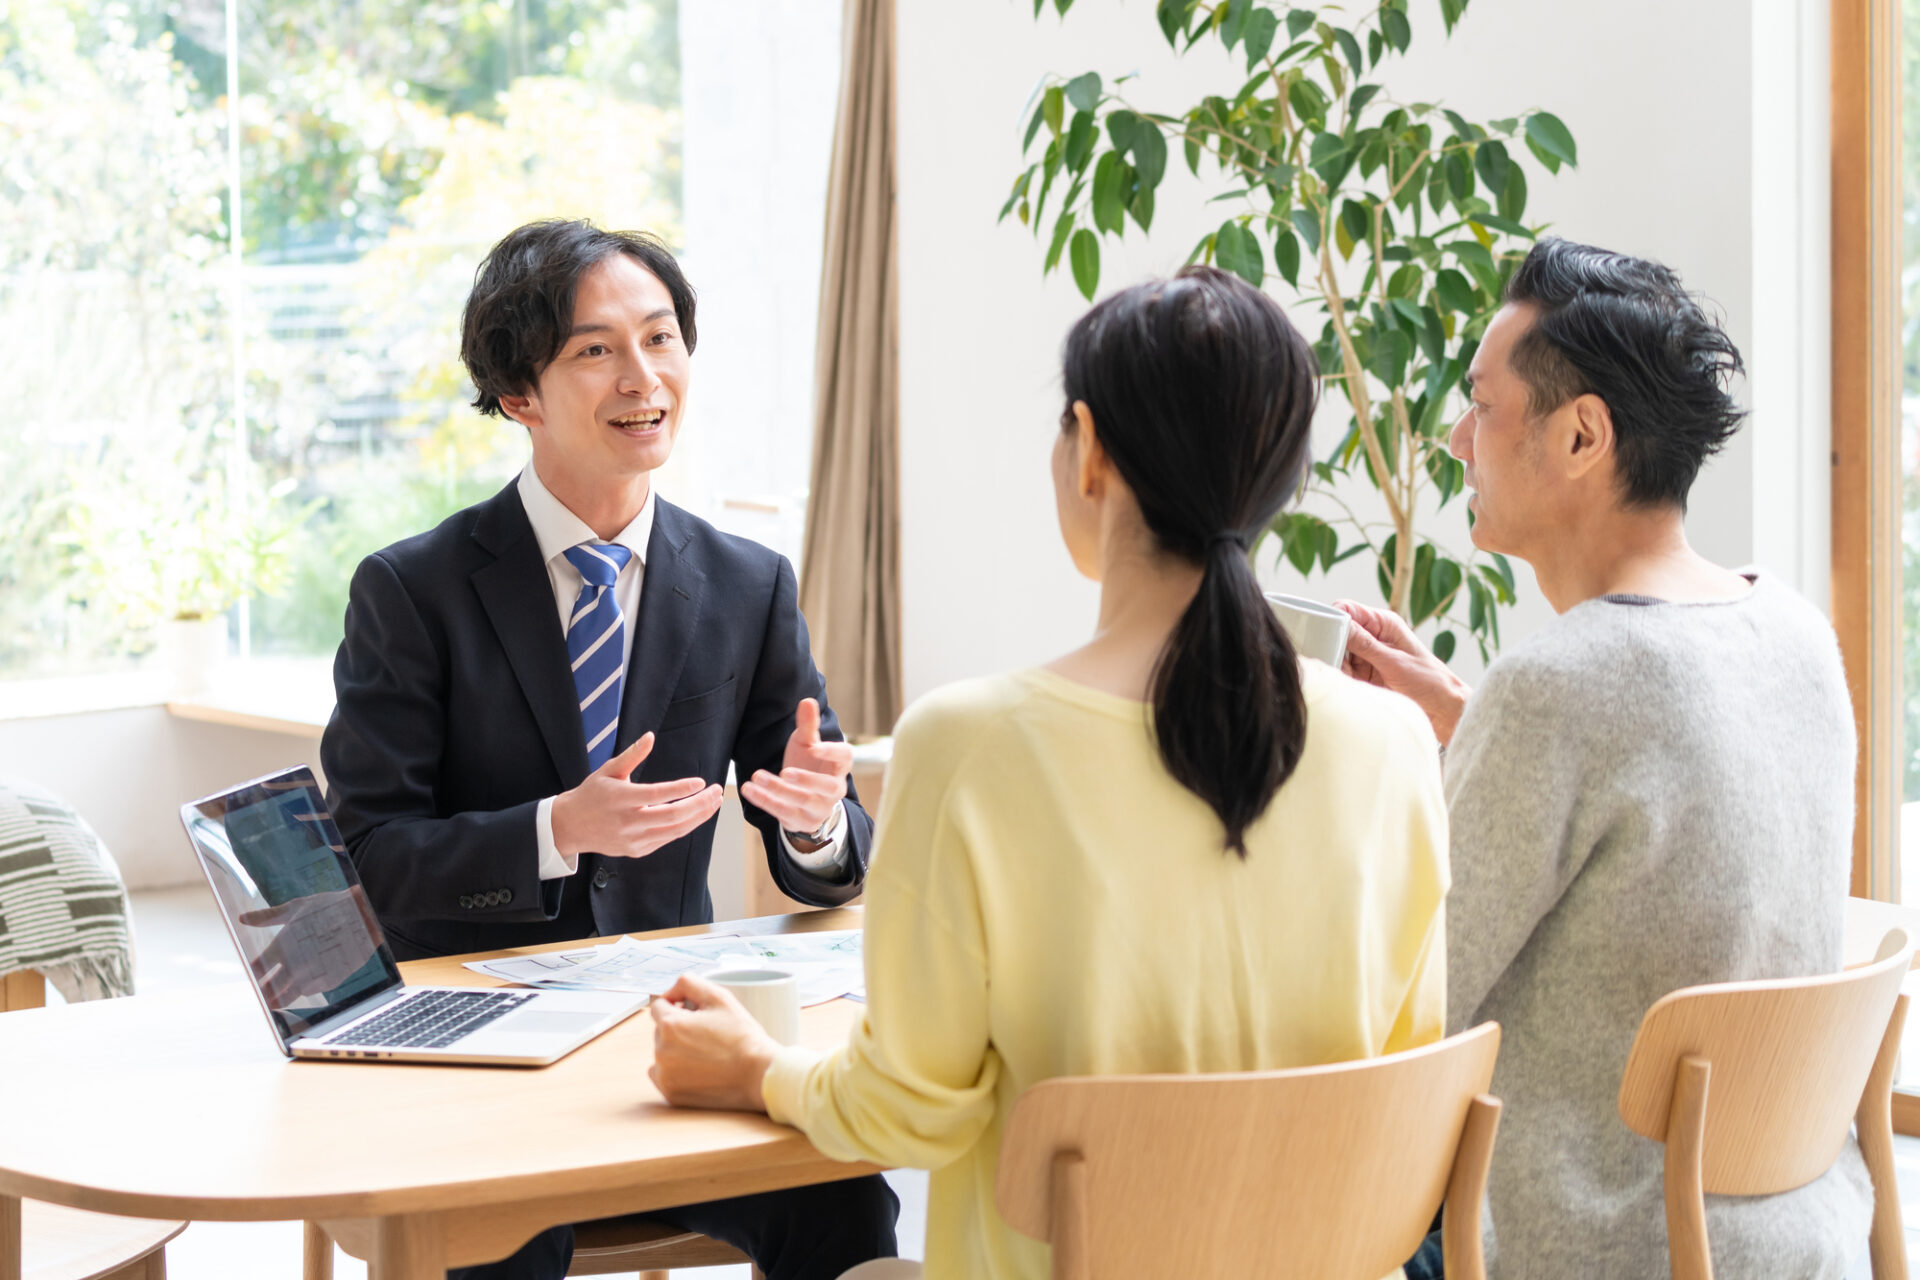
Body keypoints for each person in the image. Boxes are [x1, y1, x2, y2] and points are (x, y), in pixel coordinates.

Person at [646, 266, 1450, 1280]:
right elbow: (1401, 1075)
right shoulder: (1394, 739)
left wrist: (761, 1069)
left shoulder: (969, 743)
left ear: (1092, 450)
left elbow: (910, 1112)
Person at [319, 219, 898, 1280]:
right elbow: (367, 861)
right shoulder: (411, 591)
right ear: (517, 394)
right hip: (481, 1056)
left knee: (846, 1196)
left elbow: (831, 853)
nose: (644, 377)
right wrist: (555, 831)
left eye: (661, 337)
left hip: (673, 1044)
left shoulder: (747, 583)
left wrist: (816, 821)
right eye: (597, 350)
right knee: (494, 1241)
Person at [1338, 238, 1869, 1279]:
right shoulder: (1795, 632)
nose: (1456, 437)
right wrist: (1466, 716)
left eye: (1481, 405)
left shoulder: (1559, 691)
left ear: (1582, 434)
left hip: (1599, 1251)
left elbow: (1398, 1007)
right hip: (1794, 1241)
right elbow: (1659, 783)